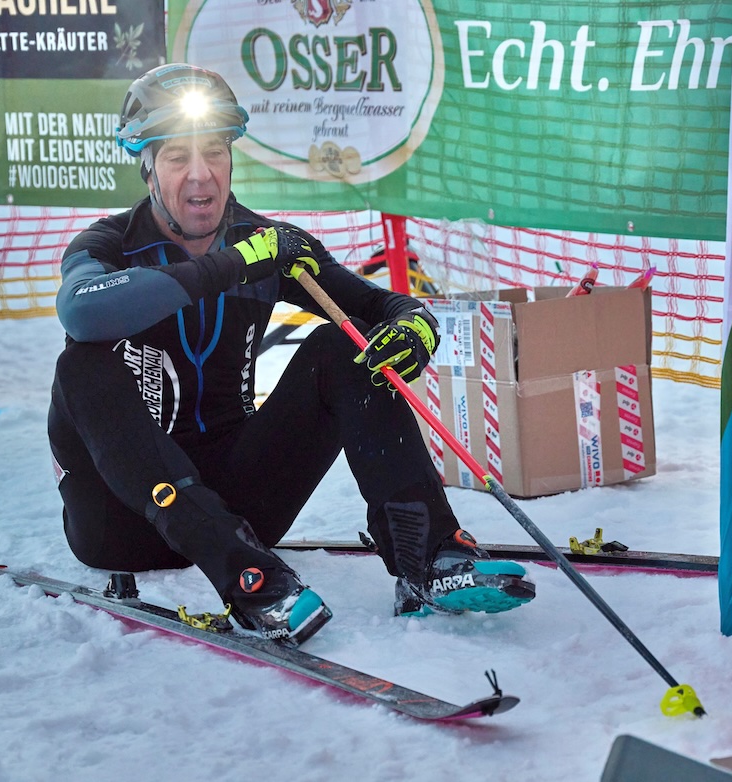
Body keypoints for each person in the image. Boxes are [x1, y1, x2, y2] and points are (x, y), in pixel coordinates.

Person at [47, 63, 535, 646]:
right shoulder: (109, 244)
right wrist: (232, 265)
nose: (201, 176)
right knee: (82, 361)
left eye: (216, 153)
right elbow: (81, 312)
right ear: (147, 166)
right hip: (120, 521)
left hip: (243, 503)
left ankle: (430, 559)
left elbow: (381, 304)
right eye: (177, 157)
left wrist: (416, 326)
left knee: (344, 343)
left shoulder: (269, 243)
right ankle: (248, 579)